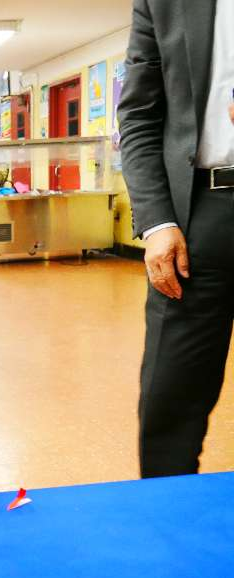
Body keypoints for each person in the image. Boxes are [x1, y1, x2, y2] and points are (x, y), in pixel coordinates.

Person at [118, 0, 234, 478]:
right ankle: (166, 530)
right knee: (170, 400)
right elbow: (139, 117)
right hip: (197, 215)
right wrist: (157, 221)